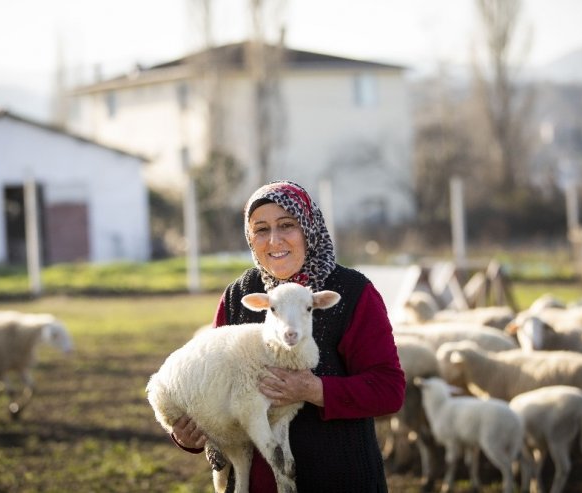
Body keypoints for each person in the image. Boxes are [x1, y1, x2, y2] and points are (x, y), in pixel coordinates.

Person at [170, 180, 406, 492]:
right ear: (250, 238)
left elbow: (390, 390)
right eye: (261, 229)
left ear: (308, 228)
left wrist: (315, 390)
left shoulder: (351, 293)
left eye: (286, 225)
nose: (274, 240)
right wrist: (188, 435)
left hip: (338, 478)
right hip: (258, 483)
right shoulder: (240, 295)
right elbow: (214, 381)